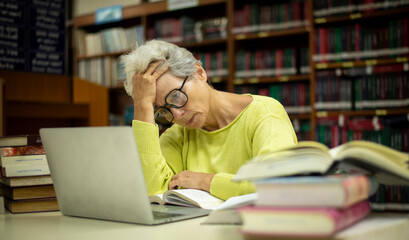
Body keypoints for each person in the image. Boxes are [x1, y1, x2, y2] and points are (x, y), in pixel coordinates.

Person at [121, 40, 297, 200]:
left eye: (176, 97)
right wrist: (143, 105)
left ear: (199, 73)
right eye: (163, 111)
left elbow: (274, 186)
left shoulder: (265, 114)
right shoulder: (178, 133)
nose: (176, 115)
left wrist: (205, 181)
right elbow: (154, 193)